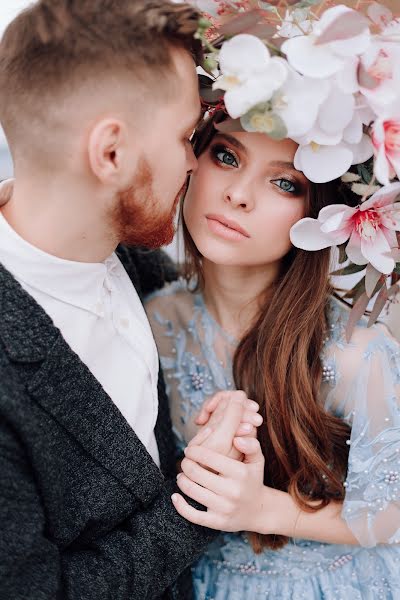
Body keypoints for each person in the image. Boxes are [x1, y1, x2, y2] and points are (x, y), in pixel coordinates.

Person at [0, 1, 262, 598]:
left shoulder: (133, 256)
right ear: (111, 153)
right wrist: (199, 496)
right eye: (186, 137)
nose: (197, 162)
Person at [144, 2, 400, 593]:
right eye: (225, 155)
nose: (237, 195)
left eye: (285, 182)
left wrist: (263, 510)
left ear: (320, 211)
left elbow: (390, 512)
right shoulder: (153, 319)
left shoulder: (357, 352)